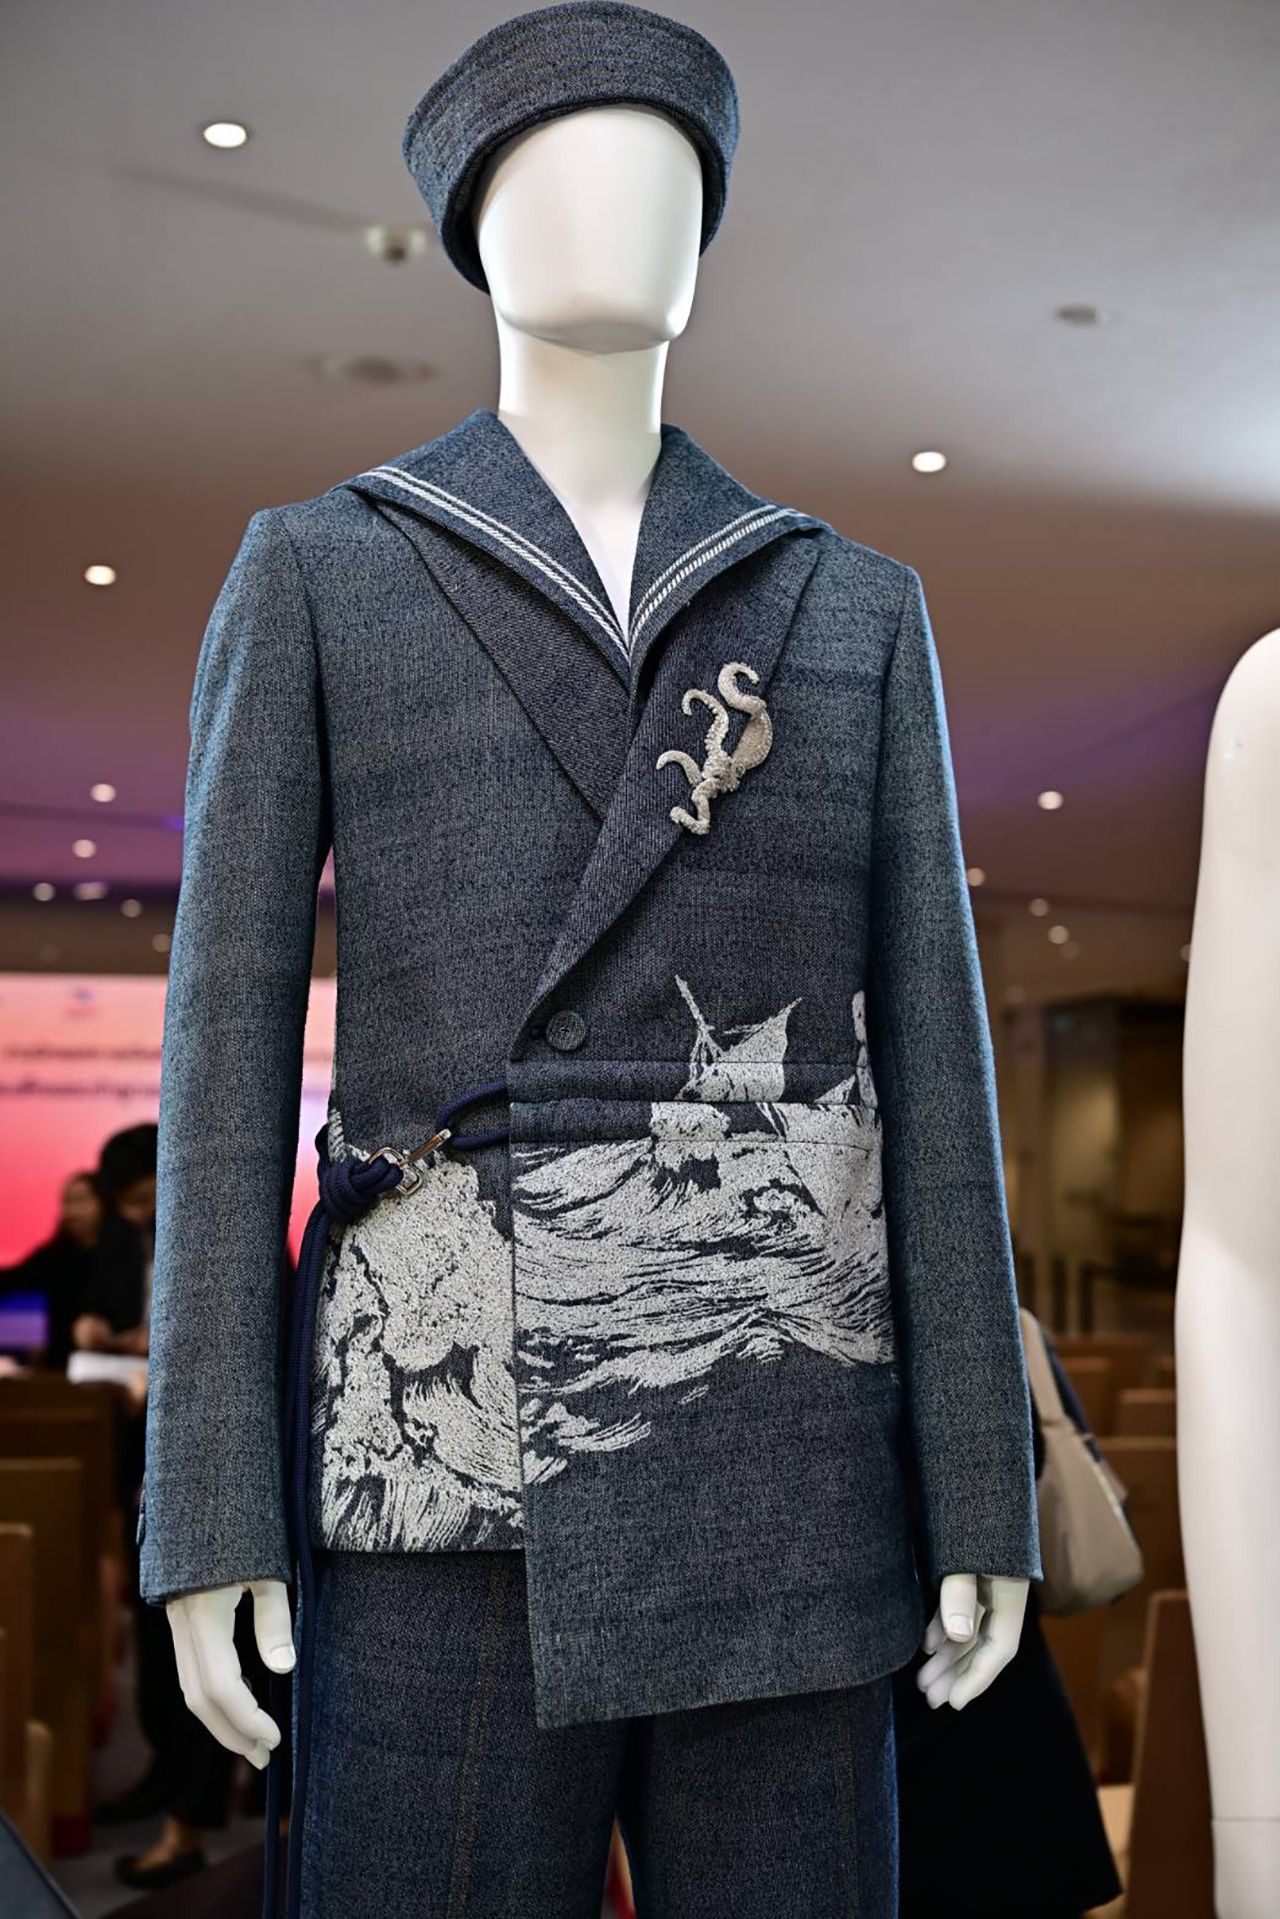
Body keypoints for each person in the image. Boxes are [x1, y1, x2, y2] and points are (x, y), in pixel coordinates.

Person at [892, 1322, 1124, 1919]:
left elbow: (1027, 1452)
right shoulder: (997, 1318)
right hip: (970, 1673)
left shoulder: (977, 1311)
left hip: (967, 1670)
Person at [0, 1168, 102, 1369]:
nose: (72, 1211)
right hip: (60, 1365)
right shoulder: (54, 1256)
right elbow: (12, 1280)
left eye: (81, 1200)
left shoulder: (124, 1256)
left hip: (110, 1364)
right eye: (67, 1202)